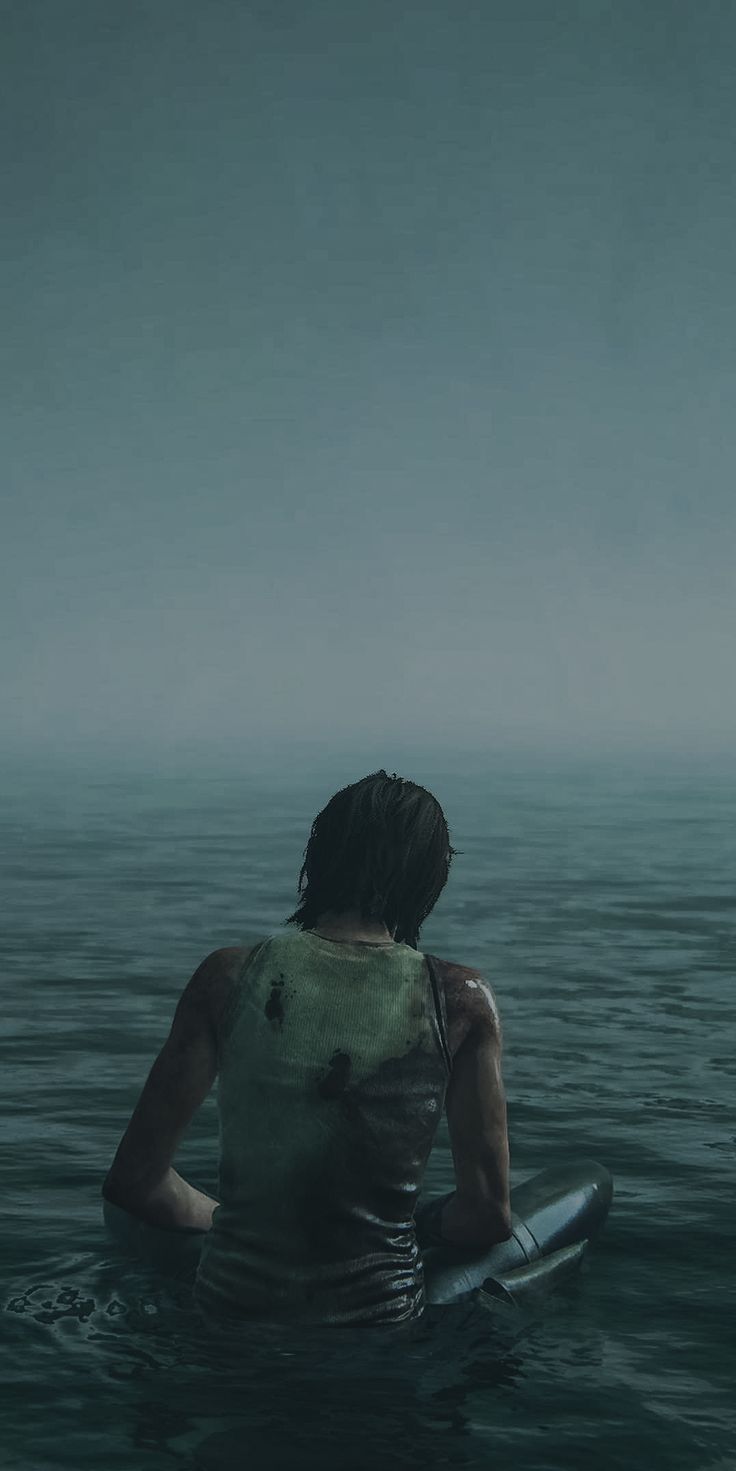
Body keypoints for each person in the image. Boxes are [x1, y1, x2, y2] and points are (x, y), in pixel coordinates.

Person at [102, 769, 511, 1328]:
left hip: (229, 1321)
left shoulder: (226, 978)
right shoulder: (461, 1001)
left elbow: (136, 1183)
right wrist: (421, 1224)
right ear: (428, 880)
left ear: (317, 858)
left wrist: (240, 1221)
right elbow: (487, 1216)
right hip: (379, 1336)